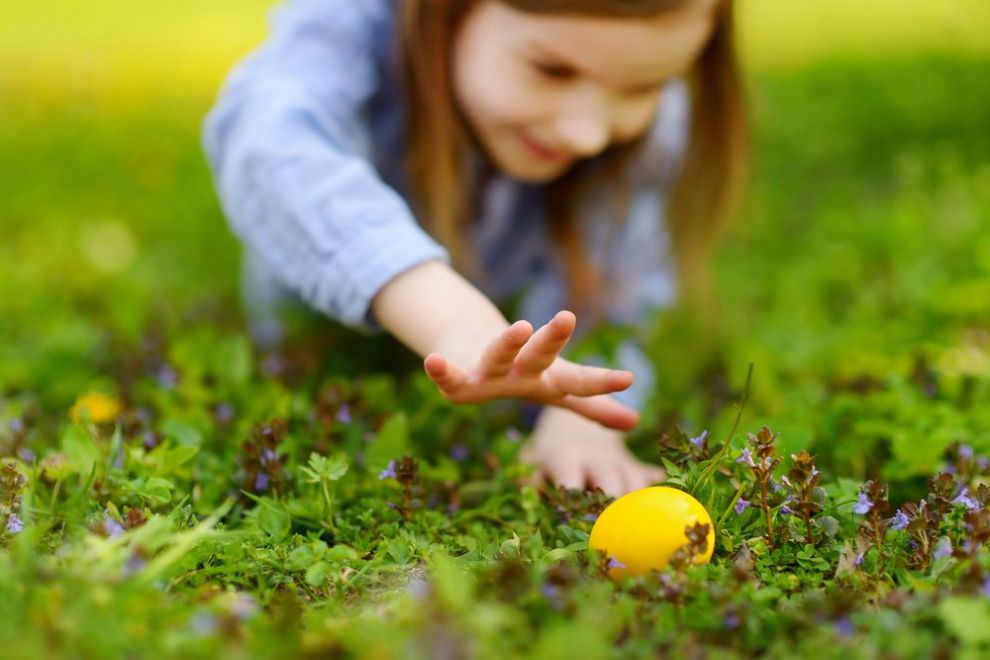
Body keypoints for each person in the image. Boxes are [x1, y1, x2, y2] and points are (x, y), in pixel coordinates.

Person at [203, 0, 748, 497]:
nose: (586, 134)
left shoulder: (631, 118)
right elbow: (269, 143)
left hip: (488, 338)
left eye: (645, 88)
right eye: (551, 69)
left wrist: (581, 413)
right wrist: (447, 316)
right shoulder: (351, 30)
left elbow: (613, 289)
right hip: (316, 346)